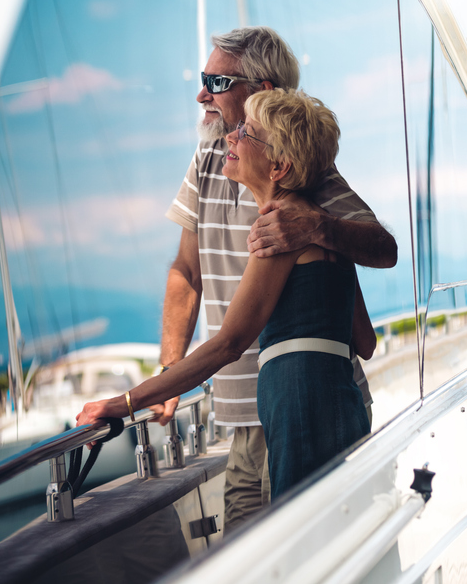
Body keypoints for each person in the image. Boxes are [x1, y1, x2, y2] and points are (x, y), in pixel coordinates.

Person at [157, 27, 395, 532]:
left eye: (216, 81)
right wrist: (167, 374)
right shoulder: (209, 163)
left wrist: (318, 225)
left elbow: (381, 246)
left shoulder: (310, 172)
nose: (203, 94)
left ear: (260, 90)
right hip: (243, 416)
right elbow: (186, 272)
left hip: (304, 402)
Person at [79, 88, 373, 496]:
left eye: (246, 133)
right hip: (337, 400)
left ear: (279, 166)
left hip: (299, 404)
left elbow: (228, 344)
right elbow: (366, 341)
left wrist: (125, 403)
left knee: (300, 543)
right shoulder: (320, 226)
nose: (231, 138)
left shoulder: (280, 230)